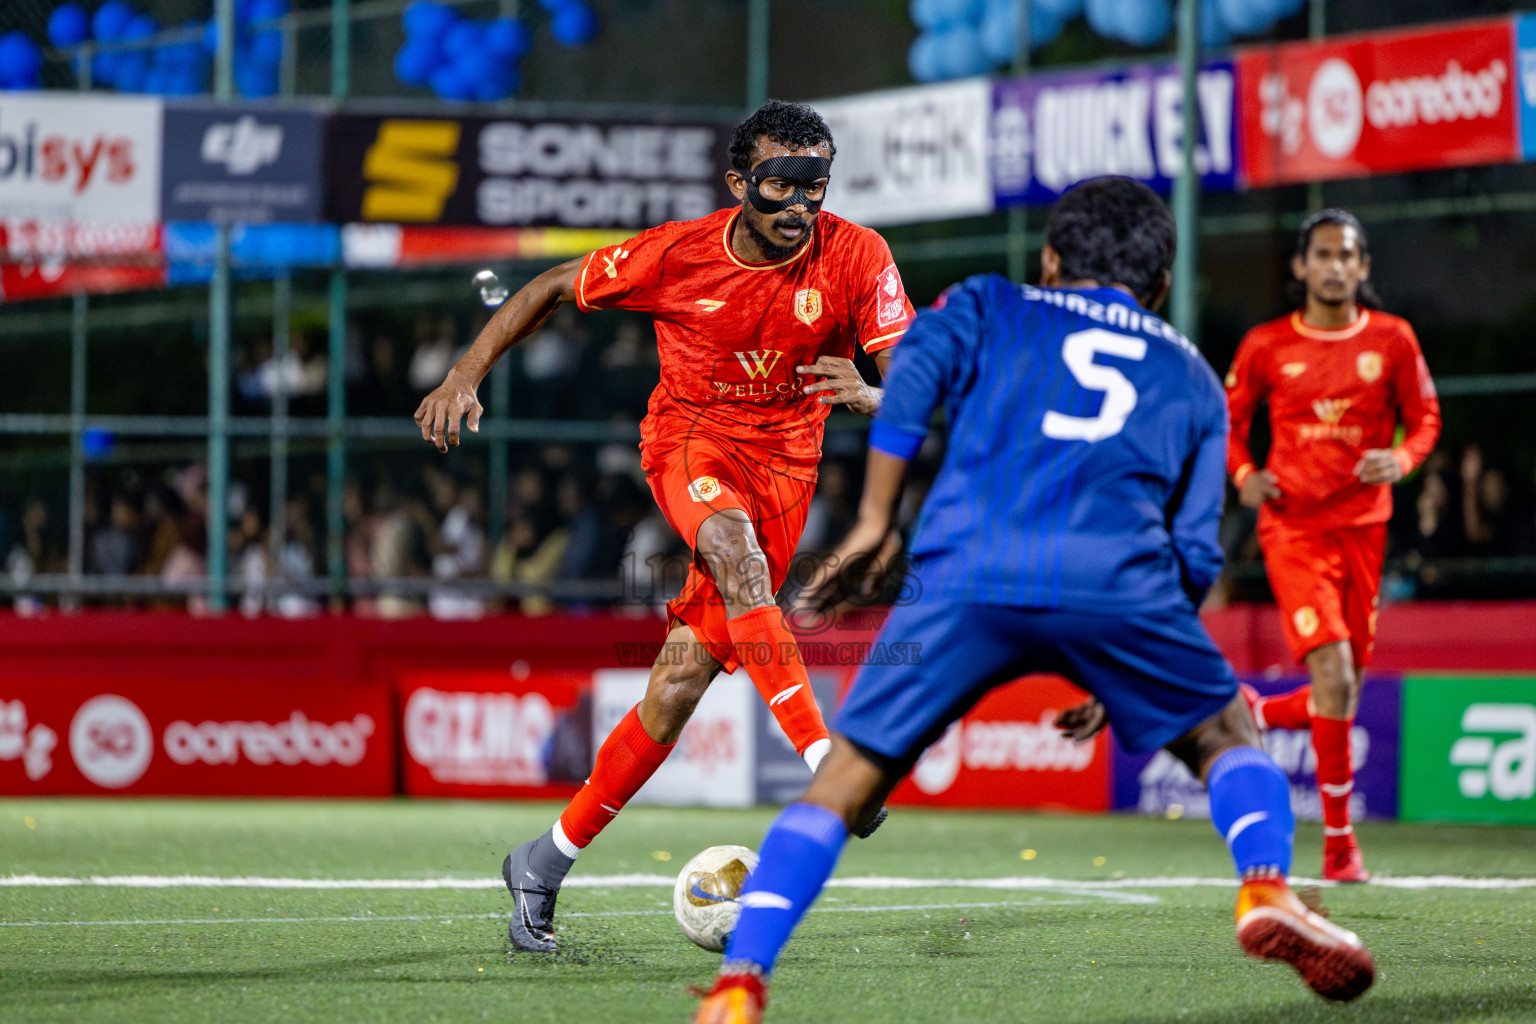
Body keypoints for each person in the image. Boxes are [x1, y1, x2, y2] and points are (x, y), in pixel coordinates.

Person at [693, 178, 1376, 1024]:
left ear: (1051, 259)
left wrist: (876, 518)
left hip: (969, 570)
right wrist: (1129, 663)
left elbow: (911, 370)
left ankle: (740, 982)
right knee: (1227, 735)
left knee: (843, 785)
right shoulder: (1194, 375)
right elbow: (1198, 548)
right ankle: (1265, 886)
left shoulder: (989, 302)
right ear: (1159, 285)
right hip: (1120, 584)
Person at [412, 99, 915, 952]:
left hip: (787, 476)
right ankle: (827, 766)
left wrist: (872, 395)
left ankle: (541, 862)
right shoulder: (677, 253)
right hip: (690, 444)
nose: (798, 206)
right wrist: (465, 372)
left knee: (676, 688)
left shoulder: (859, 254)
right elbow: (543, 289)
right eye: (779, 185)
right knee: (735, 554)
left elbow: (911, 377)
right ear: (738, 183)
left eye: (814, 187)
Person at [1226, 209, 1441, 883]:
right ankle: (1340, 844)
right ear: (1301, 266)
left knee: (1341, 690)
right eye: (1322, 254)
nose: (1335, 266)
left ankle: (1253, 708)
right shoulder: (1265, 345)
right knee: (1336, 675)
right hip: (1292, 529)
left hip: (1364, 529)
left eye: (1347, 255)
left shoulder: (1393, 339)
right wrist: (1243, 475)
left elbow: (1426, 418)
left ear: (1363, 266)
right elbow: (1228, 425)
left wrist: (1402, 460)